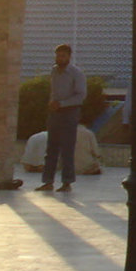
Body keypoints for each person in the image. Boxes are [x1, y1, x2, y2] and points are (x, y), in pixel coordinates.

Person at [40, 43, 86, 193]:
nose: (60, 58)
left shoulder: (76, 73)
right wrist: (52, 104)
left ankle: (67, 182)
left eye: (63, 56)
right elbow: (53, 91)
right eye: (58, 55)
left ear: (69, 57)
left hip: (69, 112)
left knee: (67, 148)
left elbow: (80, 96)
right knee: (51, 147)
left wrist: (63, 104)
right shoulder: (54, 71)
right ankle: (48, 181)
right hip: (55, 112)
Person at [21, 123, 103, 175]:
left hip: (69, 167)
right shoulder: (89, 133)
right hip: (81, 167)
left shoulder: (66, 132)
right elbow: (96, 152)